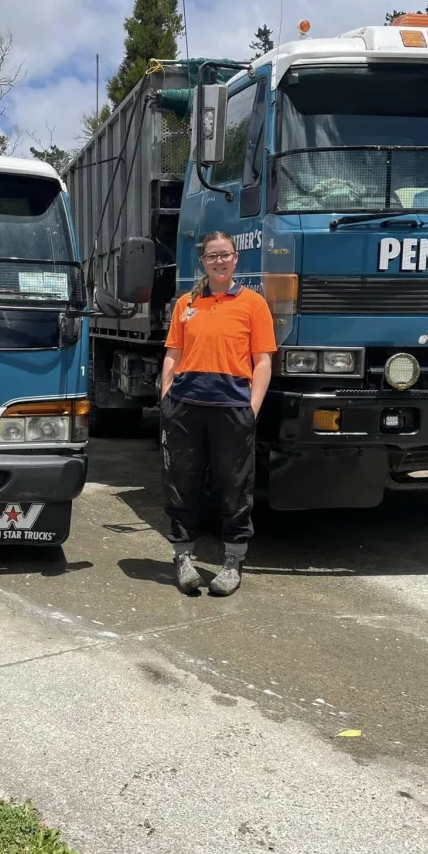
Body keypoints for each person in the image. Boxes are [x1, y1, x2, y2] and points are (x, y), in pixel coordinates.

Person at [160, 230, 277, 596]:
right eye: (212, 256)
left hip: (232, 409)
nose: (219, 261)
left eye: (224, 255)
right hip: (185, 407)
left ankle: (232, 562)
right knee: (182, 483)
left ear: (236, 258)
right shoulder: (186, 304)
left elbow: (263, 361)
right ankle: (183, 559)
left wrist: (251, 409)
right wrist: (167, 398)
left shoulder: (253, 304)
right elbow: (172, 355)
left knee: (234, 487)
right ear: (204, 262)